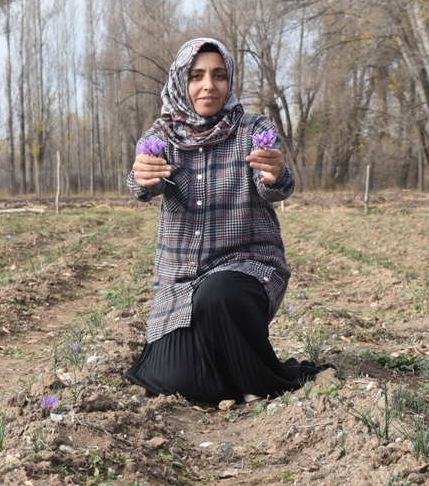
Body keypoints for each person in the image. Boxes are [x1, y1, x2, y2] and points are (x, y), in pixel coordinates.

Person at [125, 37, 325, 405]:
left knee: (218, 296)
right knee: (173, 380)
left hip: (245, 267)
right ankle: (240, 372)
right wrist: (140, 177)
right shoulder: (161, 136)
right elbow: (140, 184)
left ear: (229, 81)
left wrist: (274, 176)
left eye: (219, 75)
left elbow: (277, 187)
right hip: (181, 279)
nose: (208, 85)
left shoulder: (252, 130)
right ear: (181, 81)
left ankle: (267, 382)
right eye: (197, 75)